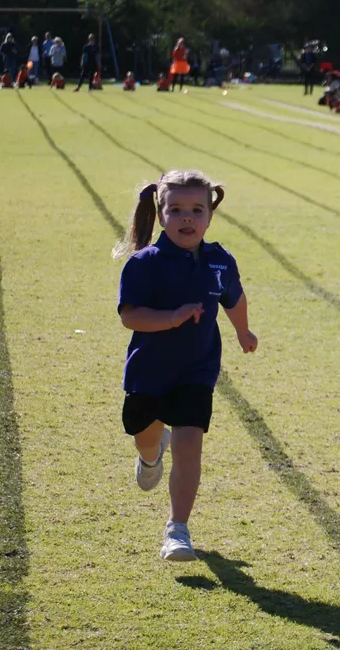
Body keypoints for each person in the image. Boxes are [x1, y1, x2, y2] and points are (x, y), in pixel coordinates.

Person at [113, 169, 258, 562]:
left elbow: (235, 298)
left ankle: (177, 529)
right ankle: (149, 454)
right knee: (146, 435)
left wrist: (243, 332)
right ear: (160, 215)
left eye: (197, 210)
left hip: (198, 368)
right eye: (176, 210)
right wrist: (172, 317)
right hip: (149, 370)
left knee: (190, 444)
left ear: (210, 216)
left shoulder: (220, 261)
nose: (187, 218)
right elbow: (131, 316)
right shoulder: (145, 263)